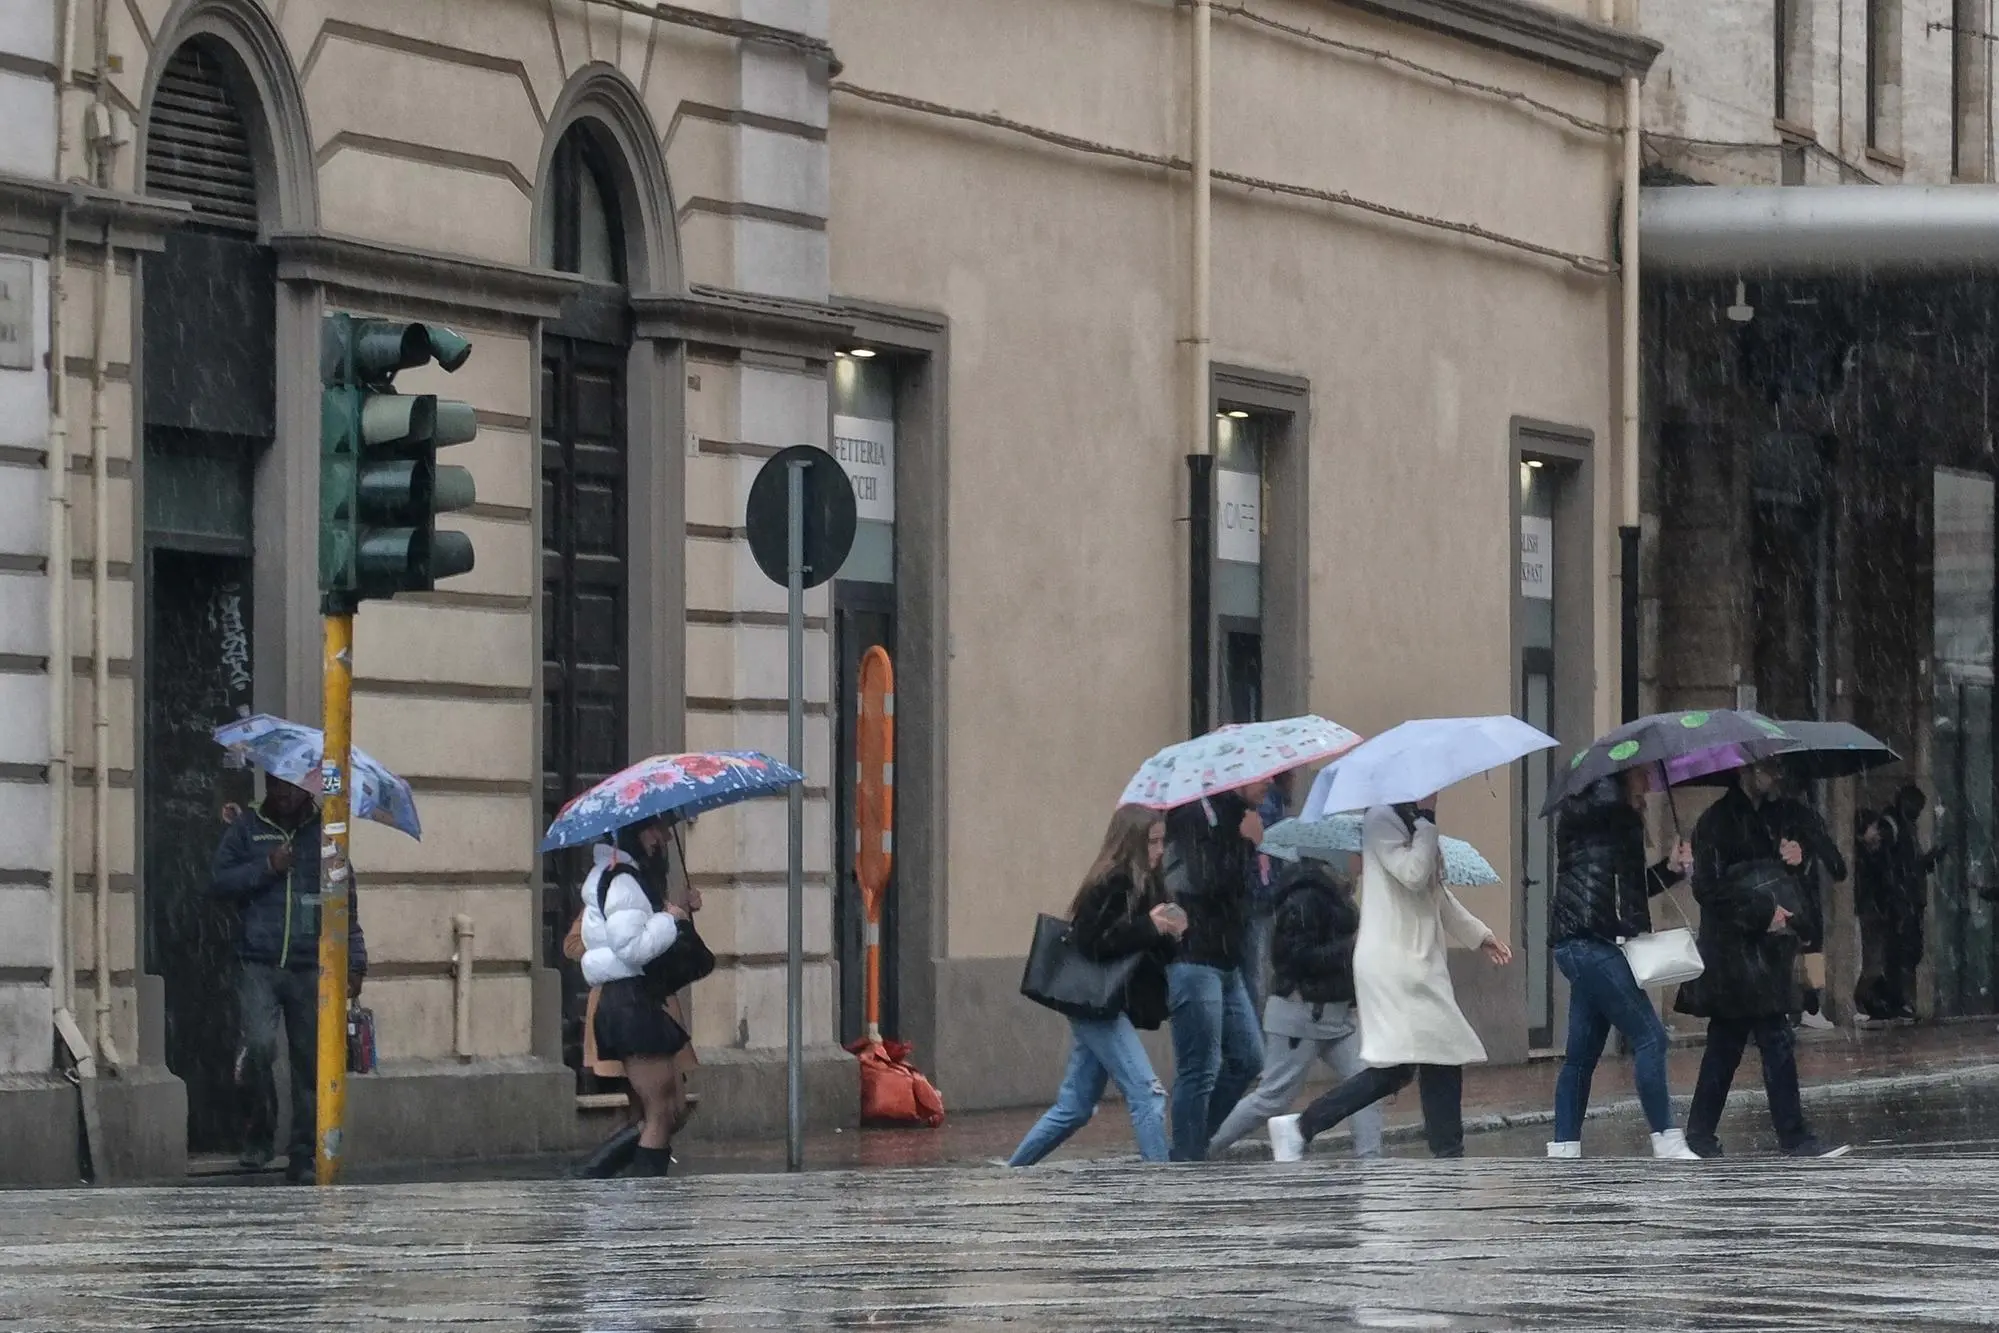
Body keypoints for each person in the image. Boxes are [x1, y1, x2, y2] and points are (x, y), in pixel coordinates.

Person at [1268, 798, 1512, 1162]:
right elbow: (1413, 874)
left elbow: (1436, 895)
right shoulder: (1382, 820)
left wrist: (1480, 935)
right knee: (1439, 1053)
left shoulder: (1411, 823)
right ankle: (1448, 1154)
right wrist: (1429, 822)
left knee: (1400, 1068)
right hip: (1396, 963)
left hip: (1414, 960)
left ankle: (1303, 1126)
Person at [1676, 762, 1847, 1158]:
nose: (1775, 775)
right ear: (1744, 771)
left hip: (1767, 950)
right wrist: (1760, 911)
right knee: (1759, 1039)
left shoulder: (1775, 818)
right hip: (1733, 951)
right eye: (1766, 768)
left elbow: (1788, 878)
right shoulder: (1715, 822)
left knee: (1740, 1040)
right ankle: (1791, 1137)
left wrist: (1795, 860)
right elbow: (1708, 888)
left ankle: (1706, 1134)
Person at [1008, 806, 1186, 1165]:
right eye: (1152, 842)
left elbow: (1148, 950)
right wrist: (1149, 928)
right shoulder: (1113, 881)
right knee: (1148, 1094)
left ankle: (1013, 1170)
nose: (1159, 850)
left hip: (1106, 1003)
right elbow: (1093, 942)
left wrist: (1169, 933)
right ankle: (1162, 1183)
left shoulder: (1150, 883)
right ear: (1132, 844)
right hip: (1095, 1003)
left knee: (1075, 1107)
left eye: (1161, 841)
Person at [210, 775, 367, 1185]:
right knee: (259, 1047)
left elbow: (346, 903)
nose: (284, 795)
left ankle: (304, 1153)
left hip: (311, 964)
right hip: (258, 962)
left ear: (307, 791)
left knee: (311, 1063)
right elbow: (219, 882)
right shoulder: (248, 829)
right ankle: (259, 1134)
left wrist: (356, 964)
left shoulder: (326, 832)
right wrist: (267, 867)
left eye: (292, 788)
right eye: (277, 787)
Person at [1542, 772, 1700, 1161]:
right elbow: (1601, 824)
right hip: (1587, 942)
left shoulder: (1616, 815)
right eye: (1642, 771)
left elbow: (1629, 884)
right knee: (1651, 1037)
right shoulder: (1600, 806)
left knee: (1581, 1055)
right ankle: (1666, 1138)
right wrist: (1623, 801)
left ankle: (1563, 1148)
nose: (1648, 781)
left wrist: (1670, 869)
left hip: (1588, 941)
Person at [1206, 853, 1382, 1159]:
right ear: (1337, 856)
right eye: (1358, 853)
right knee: (1271, 1099)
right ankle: (1202, 1149)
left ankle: (1371, 1159)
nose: (1363, 861)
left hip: (1336, 1014)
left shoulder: (1338, 896)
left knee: (1366, 1082)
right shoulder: (1305, 898)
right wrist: (1351, 947)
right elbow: (1294, 958)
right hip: (1300, 1015)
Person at [564, 815, 704, 1178]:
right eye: (655, 829)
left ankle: (595, 1175)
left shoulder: (628, 878)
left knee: (670, 1108)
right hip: (630, 1001)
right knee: (658, 1110)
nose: (662, 838)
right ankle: (632, 1193)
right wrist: (670, 919)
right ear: (634, 833)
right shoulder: (622, 880)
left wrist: (675, 912)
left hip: (638, 998)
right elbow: (632, 947)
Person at [1163, 782, 1267, 1160]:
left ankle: (1191, 1147)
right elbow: (1203, 879)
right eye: (1261, 775)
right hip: (1194, 959)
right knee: (1200, 1068)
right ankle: (1187, 1160)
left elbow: (1242, 892)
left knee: (1249, 1058)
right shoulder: (1192, 814)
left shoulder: (1237, 818)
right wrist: (1246, 844)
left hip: (1227, 960)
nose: (1269, 780)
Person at [1761, 782, 1846, 1030]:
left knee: (1785, 950)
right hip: (1801, 894)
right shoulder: (1806, 817)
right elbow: (1836, 864)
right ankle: (1810, 1007)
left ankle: (1790, 1008)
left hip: (1778, 892)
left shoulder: (1766, 815)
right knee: (1811, 948)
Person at [1855, 785, 1937, 1022]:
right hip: (1897, 901)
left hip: (1905, 899)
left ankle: (1897, 1000)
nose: (1917, 813)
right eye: (1916, 807)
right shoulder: (1891, 825)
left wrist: (1926, 862)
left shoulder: (1903, 827)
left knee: (1908, 953)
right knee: (1895, 955)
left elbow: (1907, 865)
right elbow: (1890, 866)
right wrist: (1895, 898)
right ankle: (1890, 1000)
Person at [1241, 772, 1296, 1014]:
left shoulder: (1268, 795)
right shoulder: (1270, 795)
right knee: (1256, 975)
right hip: (1261, 894)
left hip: (1260, 894)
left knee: (1255, 974)